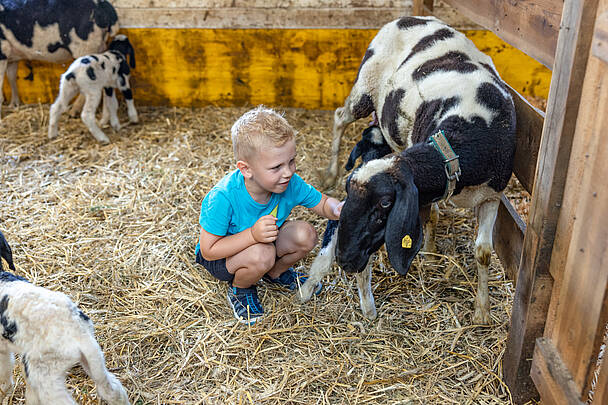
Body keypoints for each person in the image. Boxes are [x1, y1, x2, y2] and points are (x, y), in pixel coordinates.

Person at [195, 106, 343, 325]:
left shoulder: (289, 183)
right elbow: (208, 251)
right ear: (246, 170)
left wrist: (337, 208)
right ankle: (241, 289)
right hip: (223, 258)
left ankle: (274, 273)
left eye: (291, 161)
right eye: (276, 167)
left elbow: (321, 203)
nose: (288, 172)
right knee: (262, 253)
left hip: (264, 242)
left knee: (306, 234)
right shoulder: (222, 198)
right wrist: (253, 236)